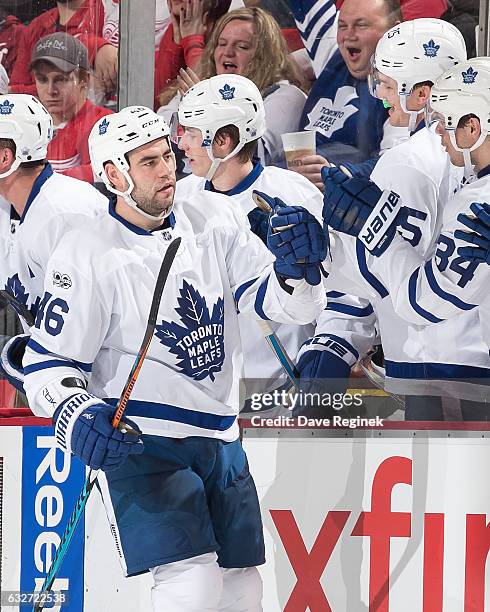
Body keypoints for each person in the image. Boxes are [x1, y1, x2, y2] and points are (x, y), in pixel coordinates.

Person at [22, 106, 327, 611]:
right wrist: (77, 415)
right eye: (148, 162)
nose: (167, 169)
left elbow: (279, 304)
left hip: (220, 434)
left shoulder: (212, 222)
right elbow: (47, 365)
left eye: (168, 155)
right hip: (144, 439)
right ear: (113, 175)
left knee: (242, 584)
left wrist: (297, 271)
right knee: (191, 582)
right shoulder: (86, 251)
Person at [175, 73, 377, 414]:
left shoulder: (294, 195)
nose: (182, 144)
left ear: (224, 141)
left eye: (192, 134)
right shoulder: (180, 201)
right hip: (200, 406)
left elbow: (344, 289)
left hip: (278, 398)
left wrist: (326, 358)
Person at [321, 55, 490, 416]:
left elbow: (422, 302)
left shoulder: (476, 203)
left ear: (473, 127)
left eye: (446, 122)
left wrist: (374, 229)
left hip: (460, 385)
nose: (440, 132)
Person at [0, 94, 108, 392]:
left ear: (5, 158)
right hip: (62, 380)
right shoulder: (12, 207)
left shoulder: (70, 212)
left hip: (107, 388)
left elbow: (98, 319)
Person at [159, 7, 308, 167]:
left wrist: (206, 110)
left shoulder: (286, 96)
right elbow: (159, 130)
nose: (227, 52)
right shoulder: (203, 85)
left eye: (242, 46)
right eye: (221, 44)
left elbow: (253, 157)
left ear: (265, 57)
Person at [285, 0, 403, 182]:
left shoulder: (404, 91)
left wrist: (337, 177)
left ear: (394, 32)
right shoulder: (332, 56)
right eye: (342, 26)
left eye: (361, 25)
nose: (348, 35)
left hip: (348, 204)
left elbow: (394, 166)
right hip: (296, 190)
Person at [30, 32, 113, 182]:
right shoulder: (28, 125)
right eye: (42, 80)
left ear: (84, 80)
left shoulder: (103, 124)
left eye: (61, 79)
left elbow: (105, 173)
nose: (50, 91)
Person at [9, 0, 119, 97]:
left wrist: (99, 47)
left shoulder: (107, 11)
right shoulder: (36, 27)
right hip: (41, 119)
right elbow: (16, 94)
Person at [154, 0, 232, 109]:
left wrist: (193, 42)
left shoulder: (231, 35)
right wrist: (176, 45)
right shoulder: (172, 31)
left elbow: (205, 100)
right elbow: (157, 103)